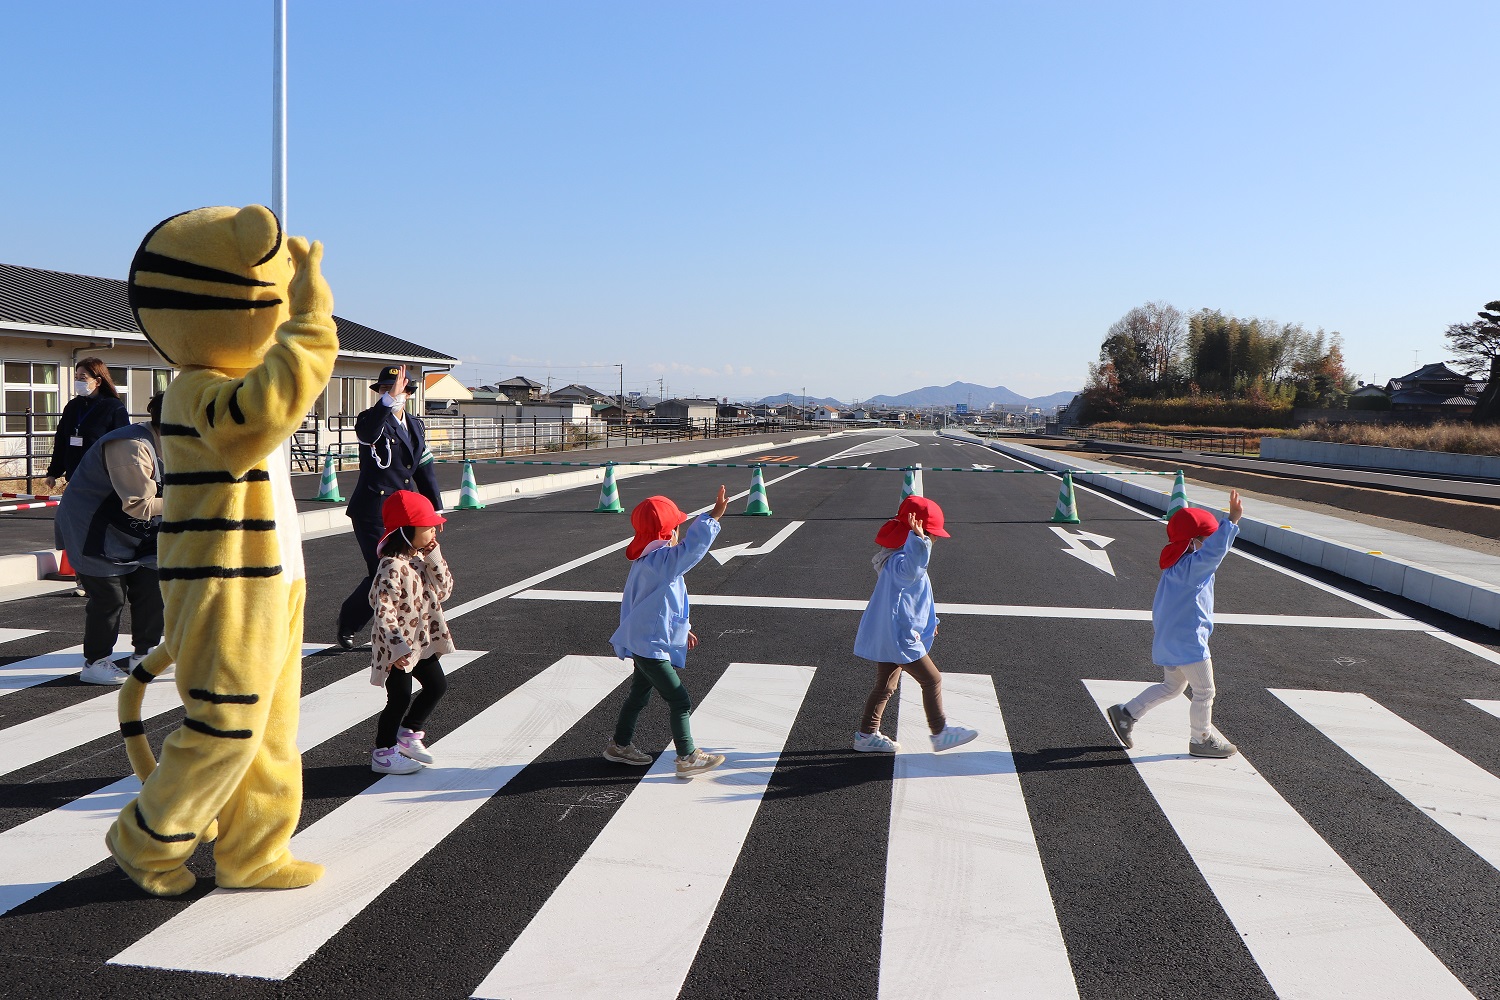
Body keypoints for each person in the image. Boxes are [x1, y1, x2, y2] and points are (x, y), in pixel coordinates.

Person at [1107, 490, 1244, 759]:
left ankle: (1127, 713)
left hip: (1169, 639)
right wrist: (1232, 520)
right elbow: (1216, 552)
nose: (1212, 541)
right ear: (1194, 542)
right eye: (1208, 537)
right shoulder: (1193, 567)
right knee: (1205, 690)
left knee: (1172, 687)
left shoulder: (1175, 567)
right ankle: (1201, 739)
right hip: (1189, 642)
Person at [604, 487, 729, 779]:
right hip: (651, 646)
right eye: (675, 528)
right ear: (664, 533)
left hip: (642, 641)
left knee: (638, 696)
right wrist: (713, 516)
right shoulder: (663, 562)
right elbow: (691, 549)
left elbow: (658, 605)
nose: (678, 534)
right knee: (679, 700)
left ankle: (620, 745)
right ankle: (687, 756)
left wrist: (682, 628)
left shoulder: (647, 560)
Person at [852, 495, 978, 754]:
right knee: (932, 680)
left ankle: (866, 734)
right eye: (932, 535)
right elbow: (911, 571)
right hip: (900, 635)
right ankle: (940, 732)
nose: (934, 540)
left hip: (893, 632)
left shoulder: (895, 558)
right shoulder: (903, 561)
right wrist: (918, 541)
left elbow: (915, 599)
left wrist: (930, 622)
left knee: (886, 685)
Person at [55, 392, 165, 685]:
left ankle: (145, 654)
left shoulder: (183, 444)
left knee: (154, 584)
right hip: (93, 526)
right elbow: (139, 505)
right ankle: (95, 662)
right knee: (109, 596)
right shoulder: (132, 445)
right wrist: (197, 499)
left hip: (141, 529)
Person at [337, 363, 442, 650]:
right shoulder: (370, 419)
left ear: (409, 393)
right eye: (385, 389)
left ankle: (397, 631)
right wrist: (386, 402)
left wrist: (434, 510)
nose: (392, 393)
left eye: (397, 390)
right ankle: (351, 623)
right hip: (373, 509)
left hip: (403, 513)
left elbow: (424, 469)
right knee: (381, 568)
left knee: (402, 571)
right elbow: (369, 434)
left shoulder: (416, 425)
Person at [368, 490, 454, 774]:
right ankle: (383, 752)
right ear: (406, 531)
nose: (434, 531)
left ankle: (408, 734)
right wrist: (396, 648)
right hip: (397, 648)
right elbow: (382, 611)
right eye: (427, 527)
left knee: (436, 686)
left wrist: (435, 556)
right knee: (400, 697)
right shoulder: (391, 566)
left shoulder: (420, 559)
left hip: (420, 643)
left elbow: (444, 590)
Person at [45, 357, 129, 489]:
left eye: (83, 378)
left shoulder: (113, 407)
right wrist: (53, 473)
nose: (78, 381)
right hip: (75, 476)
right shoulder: (72, 406)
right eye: (76, 377)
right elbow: (61, 440)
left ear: (98, 381)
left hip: (102, 479)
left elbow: (123, 444)